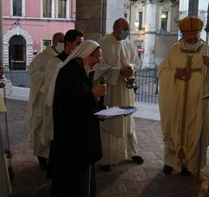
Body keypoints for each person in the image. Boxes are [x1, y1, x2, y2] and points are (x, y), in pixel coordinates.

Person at [158, 16, 209, 175]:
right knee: (173, 126)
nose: (194, 40)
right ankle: (171, 162)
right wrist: (175, 74)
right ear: (183, 36)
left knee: (195, 128)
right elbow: (162, 71)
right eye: (190, 38)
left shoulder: (208, 50)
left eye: (196, 37)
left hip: (198, 100)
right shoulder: (174, 51)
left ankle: (190, 164)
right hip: (177, 99)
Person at [47, 40, 106, 197]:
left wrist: (101, 109)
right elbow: (66, 106)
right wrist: (93, 94)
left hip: (80, 137)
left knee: (80, 180)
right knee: (72, 184)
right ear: (86, 55)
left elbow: (82, 101)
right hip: (72, 141)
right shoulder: (68, 74)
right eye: (96, 57)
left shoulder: (81, 72)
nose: (98, 61)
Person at [94, 18, 143, 172]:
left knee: (127, 119)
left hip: (126, 88)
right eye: (126, 28)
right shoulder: (102, 43)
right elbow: (98, 66)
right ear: (116, 28)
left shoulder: (128, 43)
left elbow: (136, 61)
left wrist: (131, 68)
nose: (128, 31)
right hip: (111, 90)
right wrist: (118, 71)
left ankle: (131, 152)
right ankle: (106, 158)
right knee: (111, 120)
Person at [26, 31, 64, 170]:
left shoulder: (64, 57)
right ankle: (42, 158)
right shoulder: (42, 57)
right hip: (42, 99)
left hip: (56, 100)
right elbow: (32, 73)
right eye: (60, 40)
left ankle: (53, 157)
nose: (62, 42)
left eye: (64, 40)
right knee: (41, 128)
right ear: (54, 41)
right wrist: (49, 75)